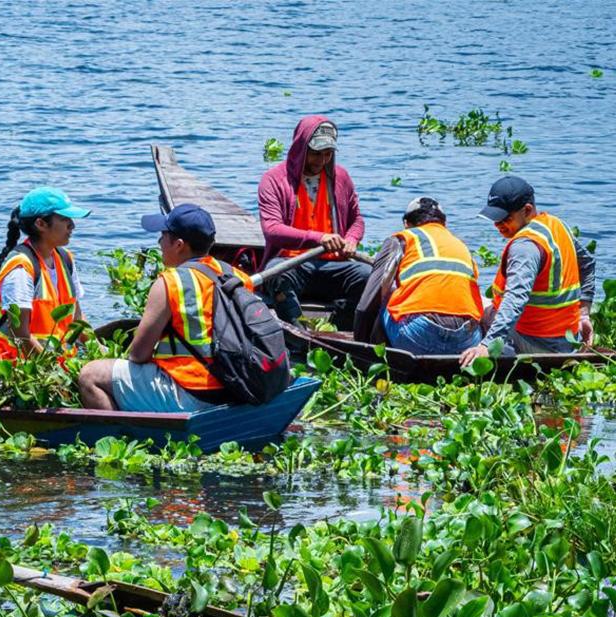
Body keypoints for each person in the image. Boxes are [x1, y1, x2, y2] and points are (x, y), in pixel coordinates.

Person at [78, 204, 255, 412]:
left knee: (90, 375)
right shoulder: (239, 277)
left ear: (179, 244)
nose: (159, 242)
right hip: (236, 387)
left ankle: (119, 437)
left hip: (191, 392)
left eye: (163, 235)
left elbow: (138, 355)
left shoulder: (171, 282)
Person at [460, 176, 596, 366]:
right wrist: (584, 313)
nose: (497, 225)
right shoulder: (556, 225)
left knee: (472, 306)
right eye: (494, 219)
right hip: (566, 339)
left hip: (538, 344)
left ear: (527, 210)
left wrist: (487, 345)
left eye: (504, 219)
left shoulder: (525, 247)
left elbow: (516, 298)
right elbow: (588, 263)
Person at [257, 116, 371, 328]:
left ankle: (338, 331)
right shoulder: (273, 180)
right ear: (301, 149)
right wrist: (319, 238)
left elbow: (357, 219)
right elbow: (272, 229)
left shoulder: (341, 178)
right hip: (291, 263)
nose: (321, 160)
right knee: (277, 276)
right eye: (316, 154)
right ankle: (298, 333)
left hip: (333, 264)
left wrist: (351, 239)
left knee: (368, 277)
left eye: (328, 154)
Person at [368, 197, 484, 354]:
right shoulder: (460, 245)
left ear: (406, 224)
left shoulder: (403, 239)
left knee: (385, 295)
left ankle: (380, 358)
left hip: (419, 336)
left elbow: (370, 298)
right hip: (466, 341)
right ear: (444, 224)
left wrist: (359, 337)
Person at [0, 187, 89, 358]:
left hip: (58, 363)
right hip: (19, 367)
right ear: (40, 224)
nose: (72, 225)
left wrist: (103, 354)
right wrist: (56, 373)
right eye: (65, 219)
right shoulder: (21, 268)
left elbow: (77, 318)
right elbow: (21, 335)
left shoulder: (65, 259)